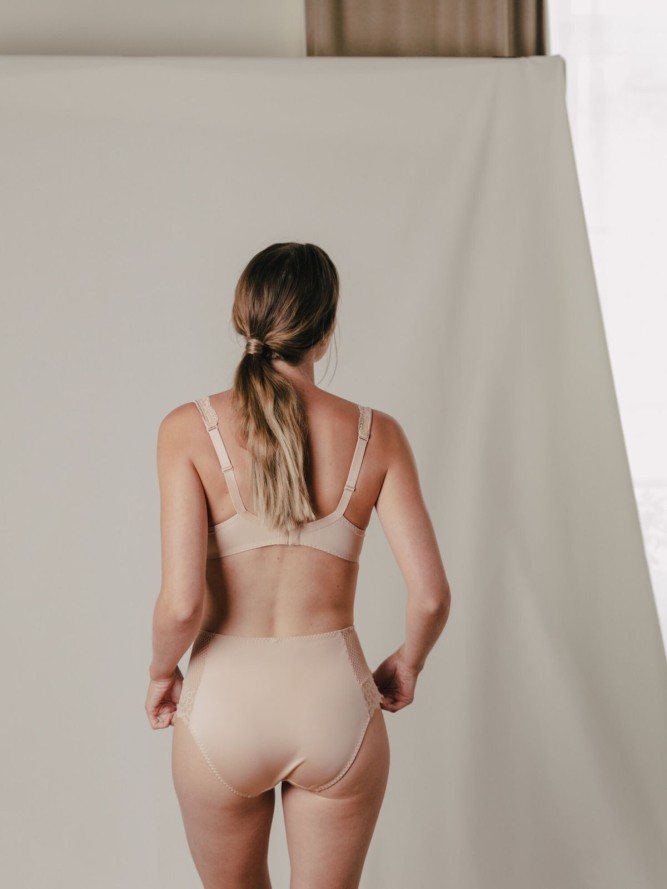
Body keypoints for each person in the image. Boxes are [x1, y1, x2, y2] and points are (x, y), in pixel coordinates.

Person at [145, 242, 451, 889]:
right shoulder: (378, 435)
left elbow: (181, 604)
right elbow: (430, 596)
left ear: (244, 318)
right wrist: (409, 663)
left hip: (223, 705)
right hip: (335, 703)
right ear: (326, 326)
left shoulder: (186, 429)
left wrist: (160, 672)